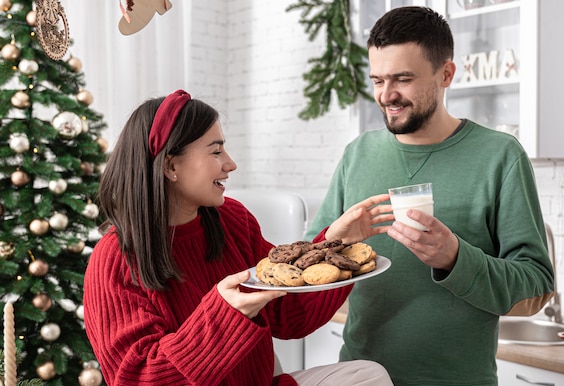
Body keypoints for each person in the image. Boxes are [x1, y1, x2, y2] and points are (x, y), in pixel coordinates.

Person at [304, 6, 555, 386]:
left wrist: (456, 258)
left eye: (403, 79)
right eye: (377, 80)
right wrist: (332, 241)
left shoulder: (500, 156)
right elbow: (308, 273)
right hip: (359, 377)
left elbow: (536, 287)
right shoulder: (357, 154)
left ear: (446, 74)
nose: (387, 95)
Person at [83, 90, 395, 385]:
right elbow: (137, 377)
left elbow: (290, 316)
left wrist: (335, 248)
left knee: (369, 376)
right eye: (216, 151)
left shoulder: (232, 219)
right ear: (170, 165)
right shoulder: (115, 259)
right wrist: (225, 315)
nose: (230, 163)